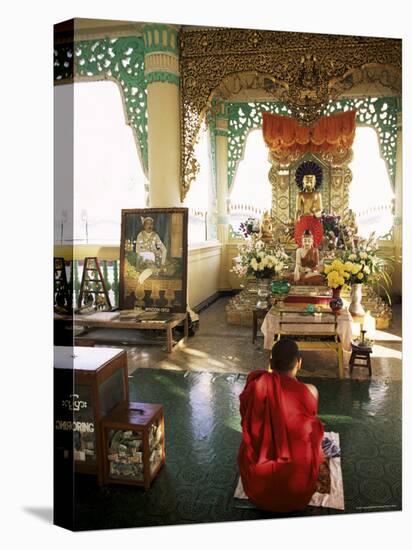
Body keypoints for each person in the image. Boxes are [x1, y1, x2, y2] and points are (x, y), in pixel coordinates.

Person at [237, 338, 324, 513]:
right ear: (299, 363)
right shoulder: (310, 391)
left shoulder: (255, 387)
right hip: (298, 490)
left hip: (257, 488)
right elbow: (310, 432)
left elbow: (247, 423)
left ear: (270, 363)